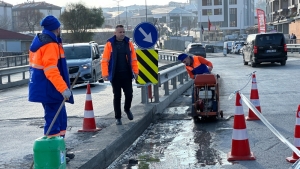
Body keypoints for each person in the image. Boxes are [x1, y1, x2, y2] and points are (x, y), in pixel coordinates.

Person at [28, 15, 74, 162]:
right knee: (54, 123)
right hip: (51, 89)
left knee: (59, 121)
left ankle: (60, 151)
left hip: (45, 88)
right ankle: (54, 156)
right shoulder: (50, 45)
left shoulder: (41, 42)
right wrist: (63, 89)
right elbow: (51, 70)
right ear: (57, 28)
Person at [101, 24, 139, 125]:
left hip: (126, 74)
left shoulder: (128, 43)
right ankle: (118, 117)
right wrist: (105, 74)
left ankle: (127, 109)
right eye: (120, 32)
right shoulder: (110, 44)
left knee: (129, 94)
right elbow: (105, 60)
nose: (122, 34)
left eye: (123, 32)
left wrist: (136, 71)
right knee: (117, 96)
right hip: (115, 75)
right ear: (115, 33)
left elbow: (134, 59)